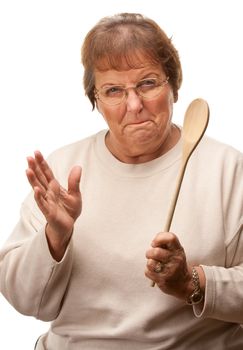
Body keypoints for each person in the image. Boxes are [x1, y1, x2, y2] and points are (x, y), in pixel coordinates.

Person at [0, 12, 243, 350]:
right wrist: (55, 236)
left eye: (147, 83)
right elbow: (25, 301)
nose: (134, 105)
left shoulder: (228, 170)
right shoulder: (64, 170)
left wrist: (191, 283)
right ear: (96, 101)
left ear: (173, 85)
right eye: (114, 90)